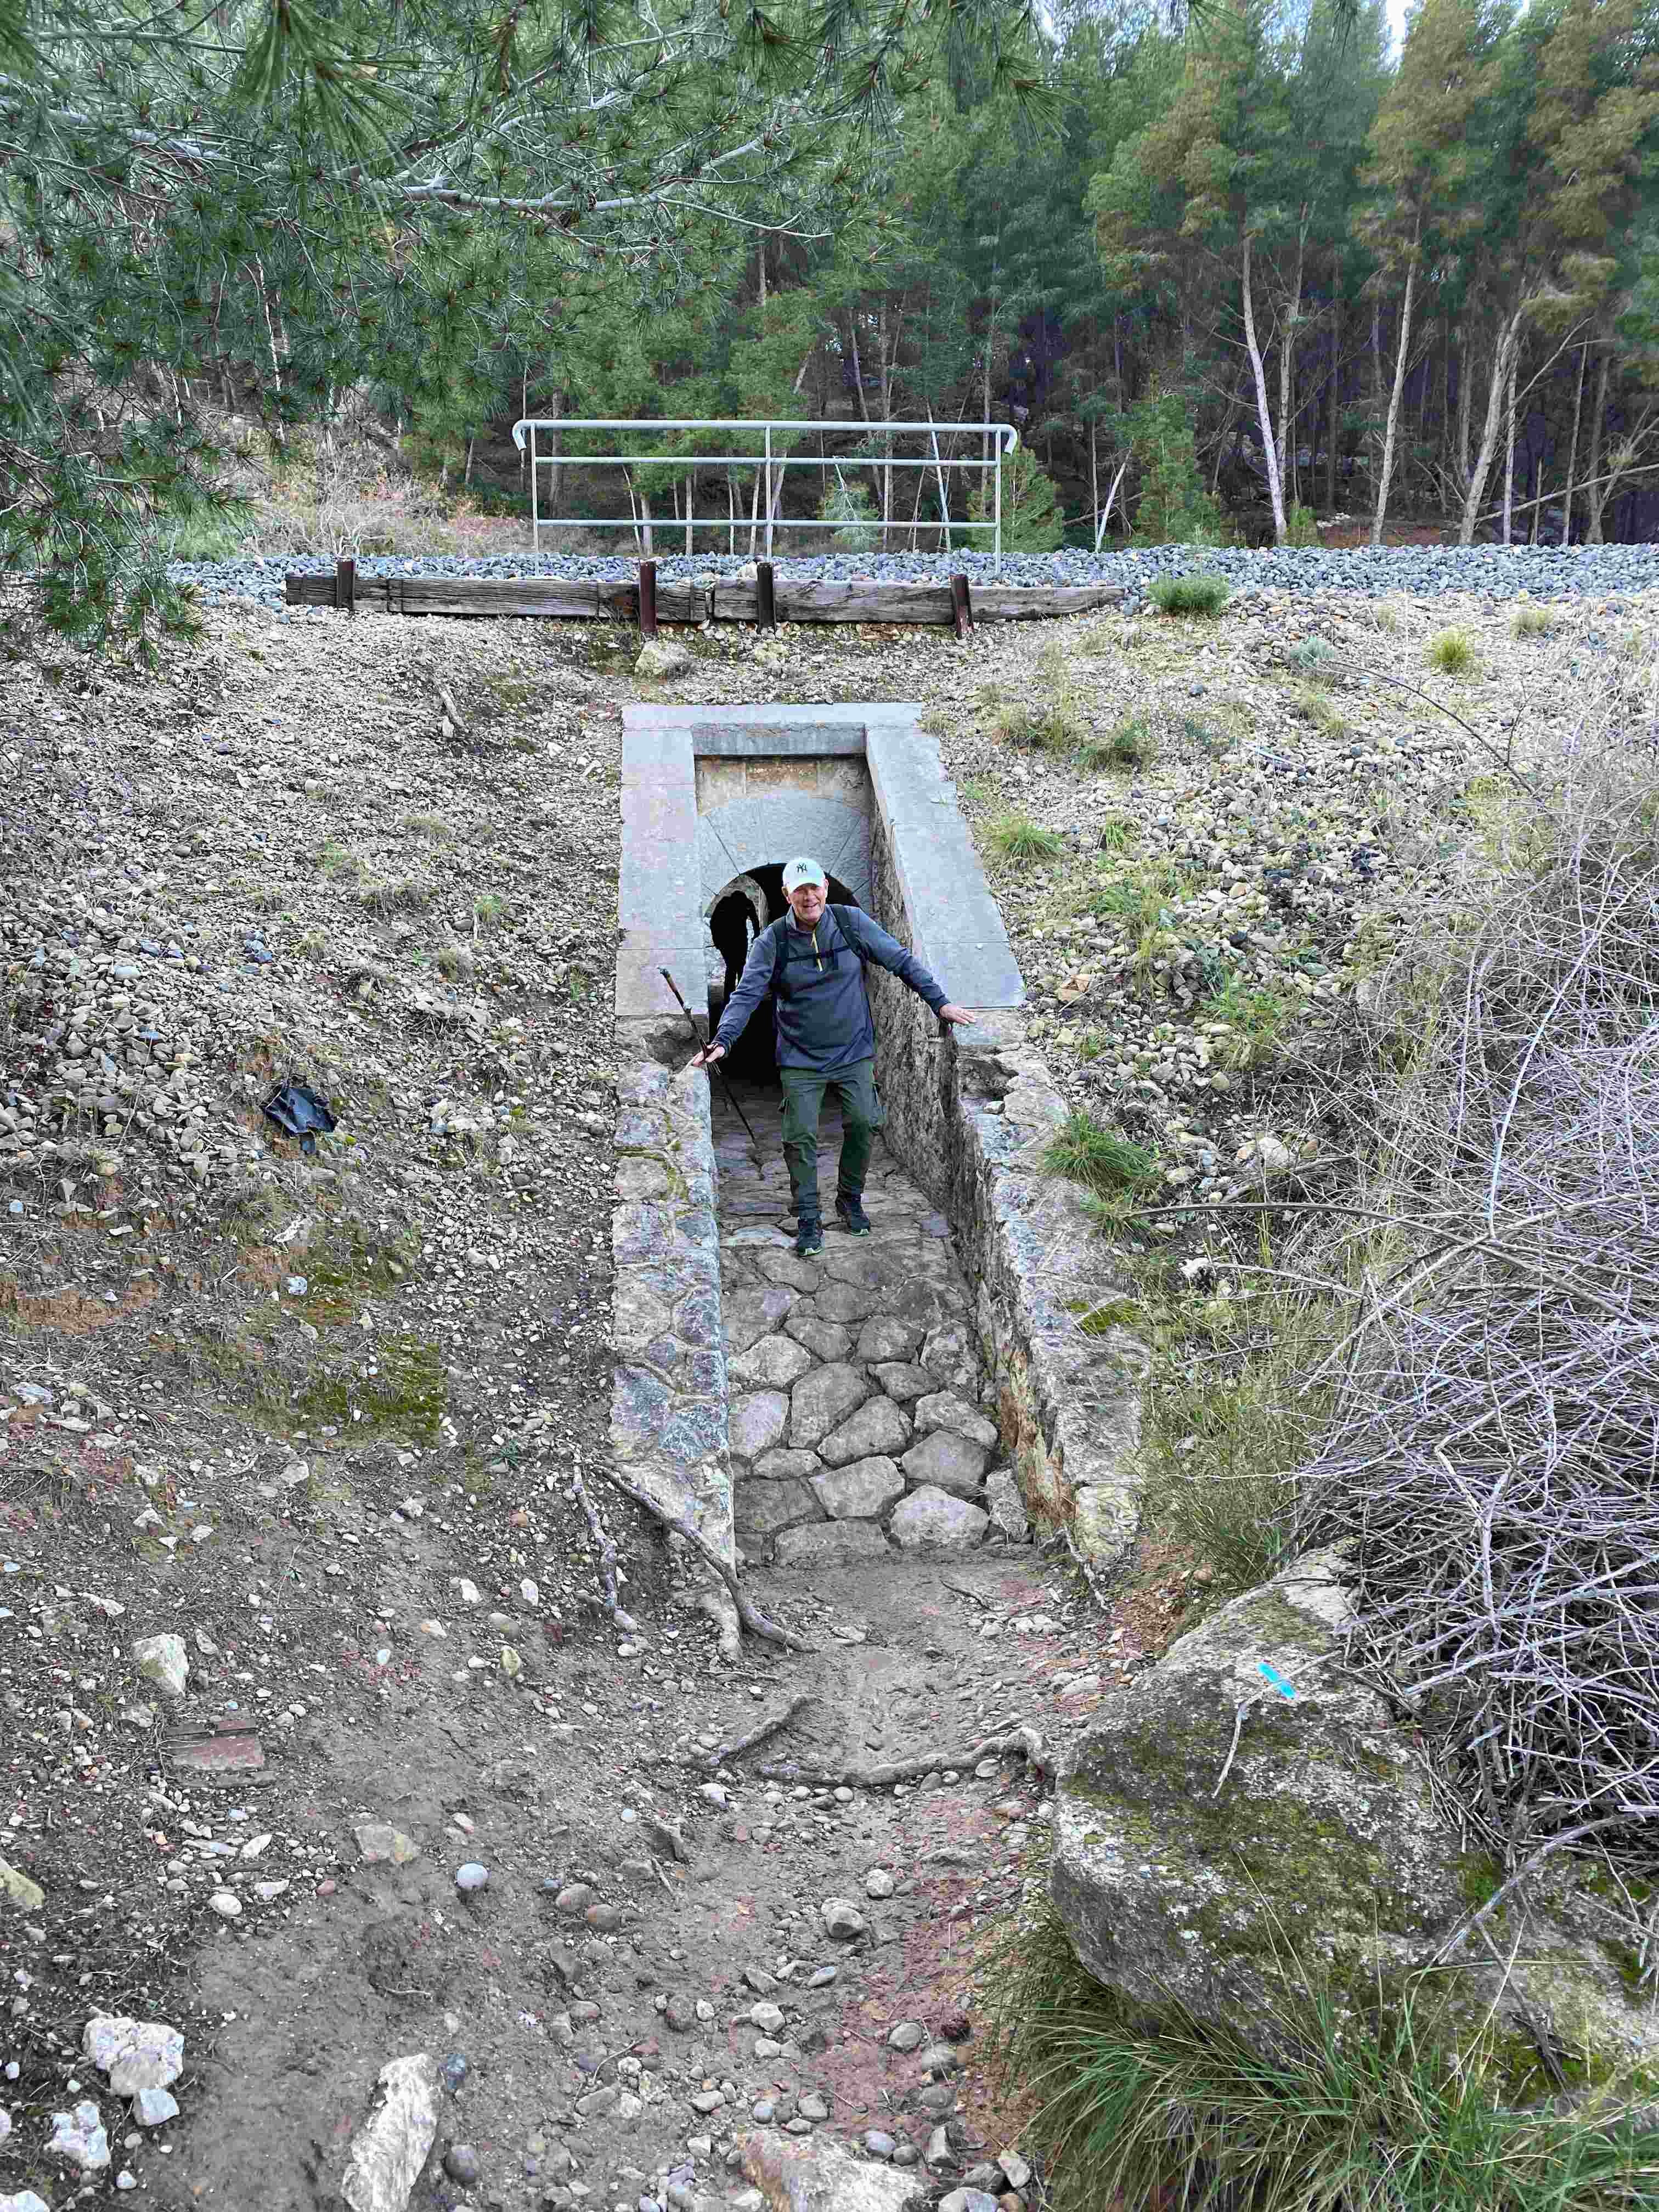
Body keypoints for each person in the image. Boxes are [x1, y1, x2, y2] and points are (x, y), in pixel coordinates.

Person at [690, 855, 973, 1256]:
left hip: (853, 1050)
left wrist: (939, 1003)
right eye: (800, 890)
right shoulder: (773, 941)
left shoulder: (849, 923)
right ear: (787, 896)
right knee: (799, 1137)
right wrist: (724, 1040)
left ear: (825, 887)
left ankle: (849, 1198)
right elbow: (747, 994)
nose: (810, 897)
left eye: (815, 888)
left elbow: (900, 960)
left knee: (865, 1121)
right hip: (801, 1058)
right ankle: (808, 1217)